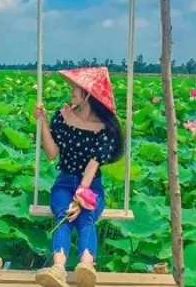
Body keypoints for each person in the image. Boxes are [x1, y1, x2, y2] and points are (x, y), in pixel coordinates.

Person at [33, 66, 125, 287]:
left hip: (90, 185)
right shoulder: (62, 117)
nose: (72, 91)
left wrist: (80, 198)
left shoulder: (105, 130)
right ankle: (58, 269)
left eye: (78, 87)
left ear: (89, 95)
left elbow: (92, 167)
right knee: (64, 214)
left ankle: (86, 266)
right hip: (64, 182)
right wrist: (43, 122)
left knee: (86, 216)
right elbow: (52, 153)